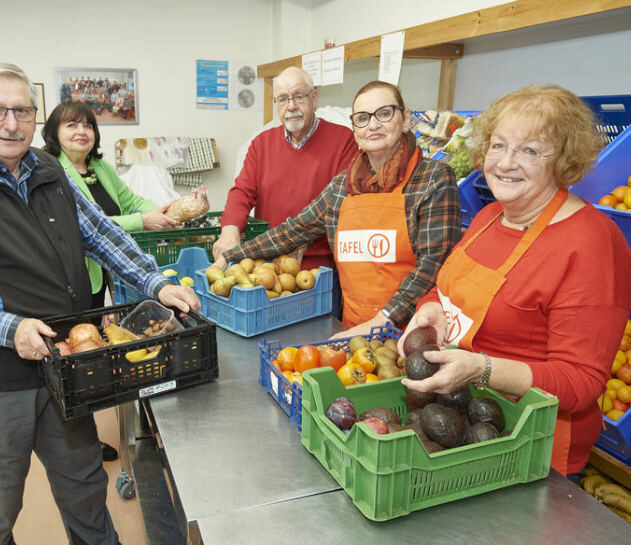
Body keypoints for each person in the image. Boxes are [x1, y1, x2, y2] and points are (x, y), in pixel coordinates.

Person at [0, 61, 200, 545]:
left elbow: (100, 232)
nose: (11, 123)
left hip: (63, 365)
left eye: (22, 110)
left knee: (83, 480)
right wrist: (7, 328)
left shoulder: (48, 170)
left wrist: (153, 282)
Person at [399, 84, 631, 478]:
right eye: (498, 145)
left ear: (564, 160)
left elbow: (581, 383)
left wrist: (480, 369)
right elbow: (446, 288)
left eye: (529, 150)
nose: (506, 163)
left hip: (532, 448)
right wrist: (430, 309)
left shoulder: (592, 242)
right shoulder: (491, 217)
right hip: (469, 427)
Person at [216, 81, 462, 333]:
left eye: (385, 114)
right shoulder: (341, 187)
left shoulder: (433, 178)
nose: (373, 125)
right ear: (354, 129)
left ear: (406, 118)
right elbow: (291, 231)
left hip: (412, 334)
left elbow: (434, 266)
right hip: (351, 332)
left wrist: (381, 321)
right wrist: (231, 256)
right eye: (363, 118)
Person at [42, 101, 179, 462]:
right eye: (71, 125)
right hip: (69, 278)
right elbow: (89, 227)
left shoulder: (100, 168)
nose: (81, 132)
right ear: (54, 133)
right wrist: (142, 222)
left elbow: (130, 200)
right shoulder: (52, 172)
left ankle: (82, 434)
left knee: (88, 350)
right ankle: (75, 441)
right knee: (72, 356)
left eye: (87, 125)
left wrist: (161, 211)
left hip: (99, 275)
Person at [212, 66, 358, 270]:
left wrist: (301, 240)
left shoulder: (343, 140)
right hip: (268, 262)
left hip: (321, 266)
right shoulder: (261, 144)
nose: (291, 106)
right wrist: (229, 230)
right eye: (282, 99)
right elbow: (242, 192)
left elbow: (341, 205)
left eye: (298, 96)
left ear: (313, 98)